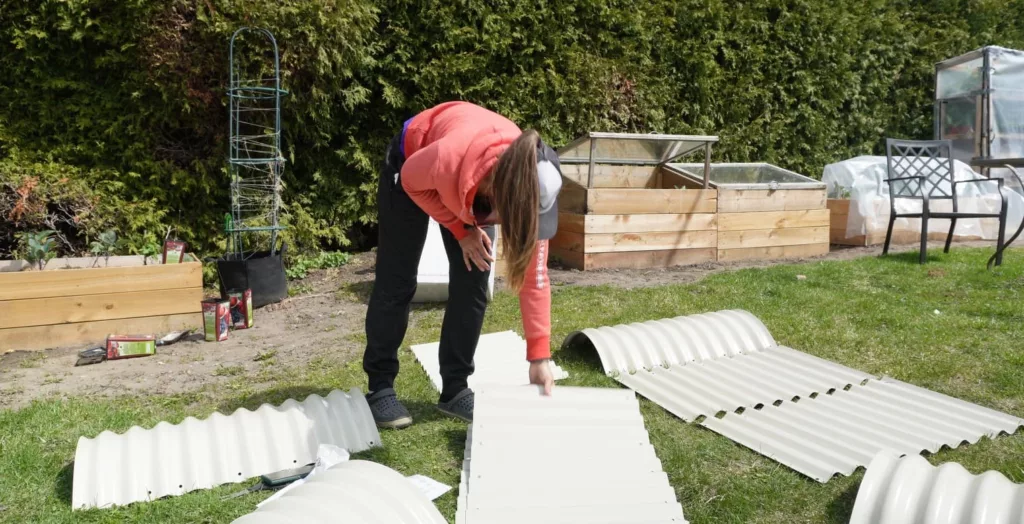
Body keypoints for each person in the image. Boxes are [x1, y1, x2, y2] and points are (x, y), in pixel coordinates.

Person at [361, 100, 562, 429]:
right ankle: (380, 387)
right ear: (499, 198)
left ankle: (454, 389)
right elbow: (412, 180)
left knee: (474, 280)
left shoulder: (532, 181)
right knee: (397, 282)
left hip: (474, 180)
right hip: (413, 166)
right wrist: (461, 230)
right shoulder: (449, 158)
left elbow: (534, 276)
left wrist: (539, 356)